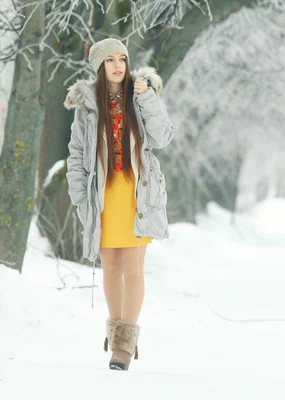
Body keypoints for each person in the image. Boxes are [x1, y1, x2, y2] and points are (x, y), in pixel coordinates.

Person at [64, 38, 174, 371]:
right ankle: (116, 335)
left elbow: (162, 137)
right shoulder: (86, 106)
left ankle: (123, 348)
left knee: (133, 267)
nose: (117, 65)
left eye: (122, 59)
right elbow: (76, 155)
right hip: (102, 195)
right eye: (110, 60)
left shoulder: (140, 95)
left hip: (136, 192)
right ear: (100, 67)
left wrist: (148, 98)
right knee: (110, 266)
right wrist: (80, 198)